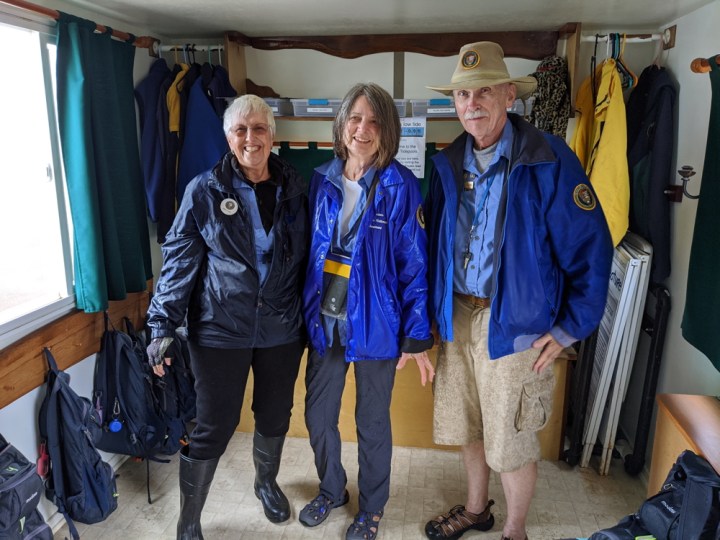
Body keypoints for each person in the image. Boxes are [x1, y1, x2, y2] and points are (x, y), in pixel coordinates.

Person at [422, 42, 613, 540]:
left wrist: (572, 325)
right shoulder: (446, 164)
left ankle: (514, 529)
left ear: (509, 95)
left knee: (510, 437)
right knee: (468, 426)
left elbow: (591, 249)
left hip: (517, 322)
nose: (473, 104)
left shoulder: (550, 160)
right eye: (463, 96)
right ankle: (476, 508)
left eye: (484, 91)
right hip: (458, 314)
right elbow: (432, 249)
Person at [145, 94, 309, 539]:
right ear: (228, 137)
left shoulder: (297, 187)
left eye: (259, 129)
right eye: (241, 130)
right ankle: (190, 518)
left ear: (273, 135)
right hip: (219, 329)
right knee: (214, 426)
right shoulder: (205, 189)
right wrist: (161, 324)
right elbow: (179, 258)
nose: (251, 139)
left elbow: (311, 258)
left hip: (281, 328)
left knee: (275, 414)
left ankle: (265, 482)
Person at [300, 82, 435, 540]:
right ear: (341, 126)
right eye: (355, 119)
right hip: (327, 322)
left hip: (377, 325)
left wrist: (416, 334)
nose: (363, 129)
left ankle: (372, 507)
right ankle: (332, 489)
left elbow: (414, 265)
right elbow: (309, 254)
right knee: (318, 417)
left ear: (387, 131)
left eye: (374, 121)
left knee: (372, 422)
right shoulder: (320, 179)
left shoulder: (401, 186)